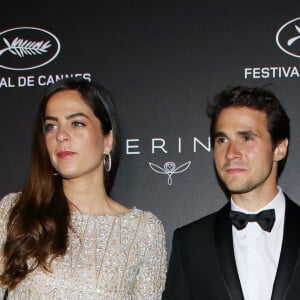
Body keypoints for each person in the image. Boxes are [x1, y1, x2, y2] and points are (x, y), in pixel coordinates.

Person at [0, 78, 167, 299]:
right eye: (51, 126)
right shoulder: (14, 210)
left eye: (77, 123)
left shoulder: (144, 231)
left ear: (108, 140)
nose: (61, 135)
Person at [163, 86, 300, 299]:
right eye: (222, 140)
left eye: (246, 138)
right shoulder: (191, 242)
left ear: (279, 148)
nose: (231, 153)